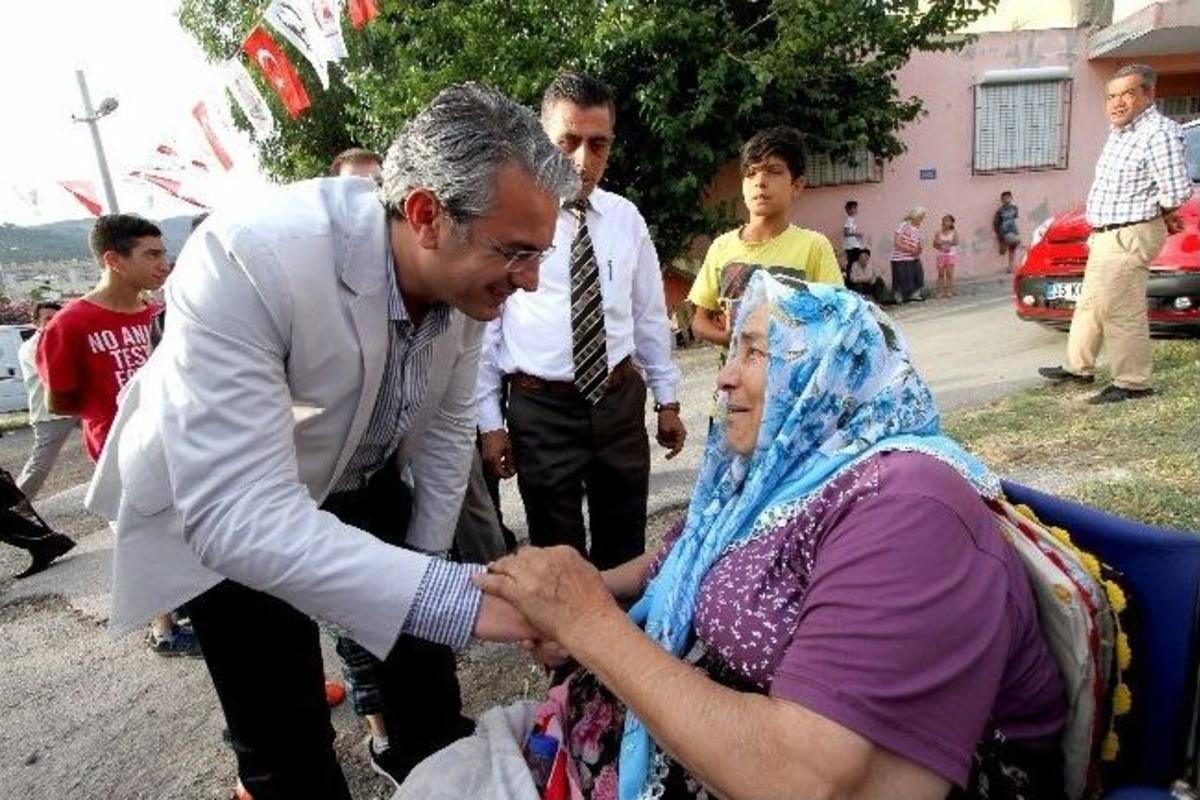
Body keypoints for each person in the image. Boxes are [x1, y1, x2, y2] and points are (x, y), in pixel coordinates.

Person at [84, 83, 579, 798]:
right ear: (426, 216)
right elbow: (240, 514)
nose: (530, 281)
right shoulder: (250, 254)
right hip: (226, 502)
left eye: (539, 255)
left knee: (427, 689)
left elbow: (446, 428)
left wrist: (427, 566)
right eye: (517, 253)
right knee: (284, 739)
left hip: (359, 473)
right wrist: (472, 602)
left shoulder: (468, 286)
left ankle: (422, 763)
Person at [400, 273, 1068, 800]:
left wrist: (587, 621)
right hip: (604, 743)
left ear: (830, 374)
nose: (723, 376)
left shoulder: (907, 510)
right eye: (731, 352)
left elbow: (806, 778)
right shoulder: (789, 477)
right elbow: (683, 553)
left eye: (754, 352)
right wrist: (575, 592)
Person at [477, 73, 686, 572]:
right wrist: (490, 422)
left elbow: (648, 317)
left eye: (598, 144)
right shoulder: (512, 220)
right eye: (567, 142)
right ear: (541, 140)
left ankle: (619, 625)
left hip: (617, 403)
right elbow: (486, 329)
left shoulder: (626, 219)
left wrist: (668, 400)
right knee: (558, 555)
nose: (582, 160)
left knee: (624, 542)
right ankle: (567, 627)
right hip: (540, 411)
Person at [36, 214, 199, 657]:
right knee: (145, 541)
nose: (164, 264)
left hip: (177, 444)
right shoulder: (70, 323)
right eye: (152, 254)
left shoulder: (158, 314)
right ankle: (163, 629)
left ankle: (185, 607)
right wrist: (111, 410)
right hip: (120, 453)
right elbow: (59, 400)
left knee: (186, 533)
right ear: (114, 260)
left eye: (164, 253)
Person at [1039, 64, 1191, 405]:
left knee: (1121, 309)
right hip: (1108, 233)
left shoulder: (1158, 133)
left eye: (1127, 94)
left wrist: (1159, 211)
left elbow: (1177, 190)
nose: (1117, 103)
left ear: (1148, 94)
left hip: (1129, 233)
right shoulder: (1122, 132)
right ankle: (1078, 368)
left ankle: (1133, 382)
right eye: (1111, 96)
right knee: (1091, 303)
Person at [689, 126, 843, 352]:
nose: (760, 181)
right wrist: (732, 338)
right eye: (751, 173)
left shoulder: (813, 246)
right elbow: (700, 321)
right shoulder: (721, 247)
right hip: (737, 373)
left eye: (774, 171)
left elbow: (836, 317)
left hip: (795, 373)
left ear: (797, 185)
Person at [15, 302, 76, 500]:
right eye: (48, 318)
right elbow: (56, 372)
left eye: (57, 318)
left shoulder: (63, 341)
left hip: (77, 407)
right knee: (41, 464)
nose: (53, 322)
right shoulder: (31, 347)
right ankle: (16, 505)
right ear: (35, 322)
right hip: (50, 414)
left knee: (109, 443)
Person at [890, 206, 926, 303]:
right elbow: (897, 242)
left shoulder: (917, 228)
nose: (922, 219)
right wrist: (910, 250)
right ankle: (898, 297)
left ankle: (914, 295)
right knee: (900, 277)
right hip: (900, 258)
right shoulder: (903, 225)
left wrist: (919, 249)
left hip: (913, 257)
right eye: (921, 217)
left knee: (918, 275)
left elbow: (918, 242)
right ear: (915, 216)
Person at [993, 191, 1021, 273]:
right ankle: (1003, 245)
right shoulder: (1000, 211)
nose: (1007, 199)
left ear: (1011, 198)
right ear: (1002, 200)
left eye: (1008, 197)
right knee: (1003, 251)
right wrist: (999, 236)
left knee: (1013, 248)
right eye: (1004, 198)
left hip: (1013, 231)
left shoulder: (1015, 208)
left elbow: (1014, 218)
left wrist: (1016, 230)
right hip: (1004, 232)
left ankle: (1011, 267)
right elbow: (996, 223)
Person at [933, 214, 959, 298]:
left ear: (952, 223)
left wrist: (947, 243)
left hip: (950, 255)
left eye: (947, 221)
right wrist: (940, 247)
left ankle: (949, 291)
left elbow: (956, 242)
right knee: (940, 274)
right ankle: (940, 292)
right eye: (944, 220)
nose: (945, 222)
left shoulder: (954, 232)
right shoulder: (938, 232)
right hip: (941, 255)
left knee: (949, 273)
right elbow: (934, 244)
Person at [842, 199, 863, 280]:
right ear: (850, 209)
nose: (856, 210)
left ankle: (851, 278)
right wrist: (857, 234)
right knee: (852, 263)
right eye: (855, 208)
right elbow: (846, 233)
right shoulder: (848, 220)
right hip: (851, 246)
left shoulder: (851, 220)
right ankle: (849, 279)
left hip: (854, 245)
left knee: (854, 262)